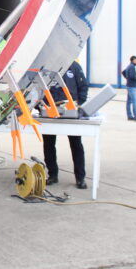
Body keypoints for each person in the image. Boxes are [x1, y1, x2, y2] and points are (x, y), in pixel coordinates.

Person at [43, 61, 88, 189]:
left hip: (70, 112)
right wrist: (41, 106)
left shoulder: (74, 66)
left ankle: (80, 178)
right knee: (49, 144)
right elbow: (37, 87)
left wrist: (78, 104)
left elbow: (83, 85)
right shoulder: (48, 65)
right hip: (50, 112)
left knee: (76, 145)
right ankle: (52, 175)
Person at [122, 55, 136, 121]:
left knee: (129, 102)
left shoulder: (129, 66)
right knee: (134, 102)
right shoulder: (132, 67)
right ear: (133, 60)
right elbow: (132, 77)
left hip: (129, 85)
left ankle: (130, 116)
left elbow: (123, 72)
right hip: (132, 86)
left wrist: (127, 78)